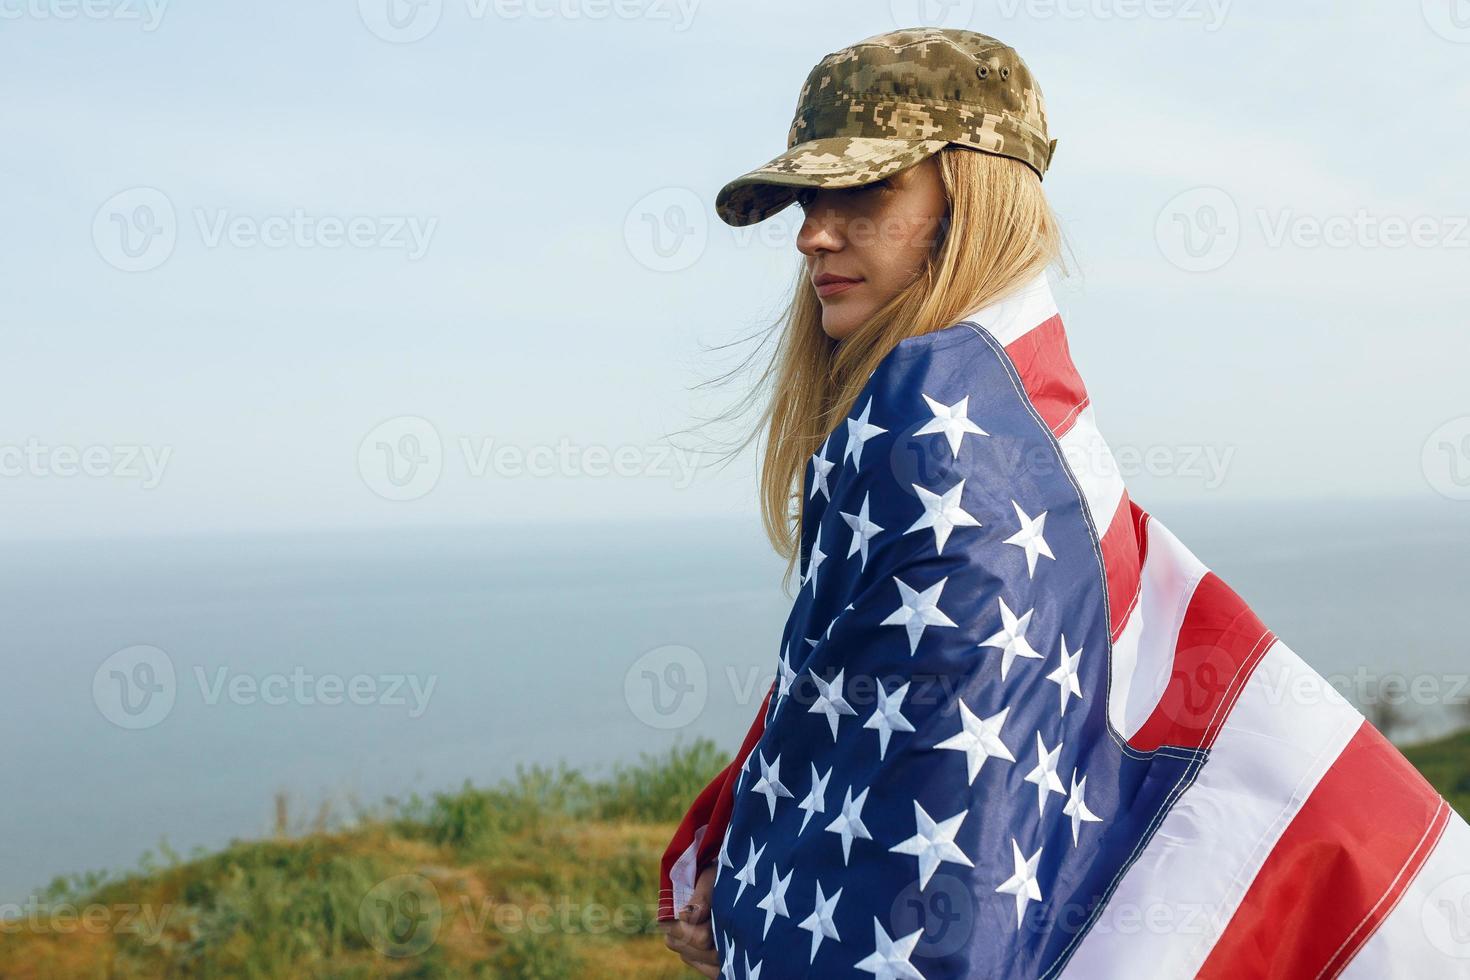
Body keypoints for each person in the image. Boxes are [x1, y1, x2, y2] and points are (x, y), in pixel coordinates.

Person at [659, 26, 1469, 980]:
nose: (811, 232)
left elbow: (944, 886)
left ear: (975, 199)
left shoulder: (945, 437)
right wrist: (758, 860)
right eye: (809, 196)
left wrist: (774, 906)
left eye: (866, 189)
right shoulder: (1019, 420)